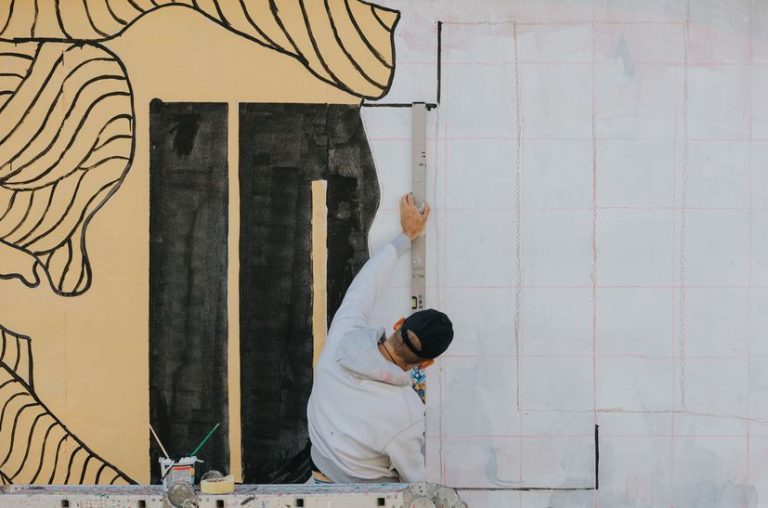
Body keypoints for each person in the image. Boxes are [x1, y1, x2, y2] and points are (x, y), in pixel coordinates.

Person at [306, 193, 454, 484]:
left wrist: (406, 236)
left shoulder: (343, 338)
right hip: (366, 498)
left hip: (316, 481)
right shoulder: (406, 413)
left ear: (398, 324)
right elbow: (415, 483)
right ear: (426, 364)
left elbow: (365, 286)